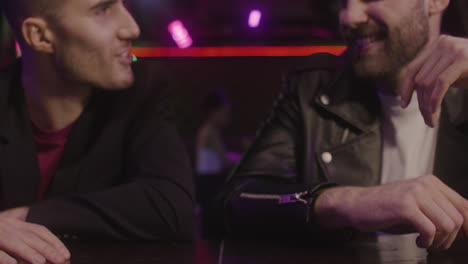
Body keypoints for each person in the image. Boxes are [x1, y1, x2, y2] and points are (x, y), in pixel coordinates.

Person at [219, 0, 468, 252]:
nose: (349, 17)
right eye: (341, 2)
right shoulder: (313, 88)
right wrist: (344, 201)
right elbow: (232, 205)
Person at [0, 0, 194, 263]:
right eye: (102, 10)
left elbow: (171, 207)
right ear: (41, 36)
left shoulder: (144, 90)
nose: (132, 28)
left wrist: (24, 217)